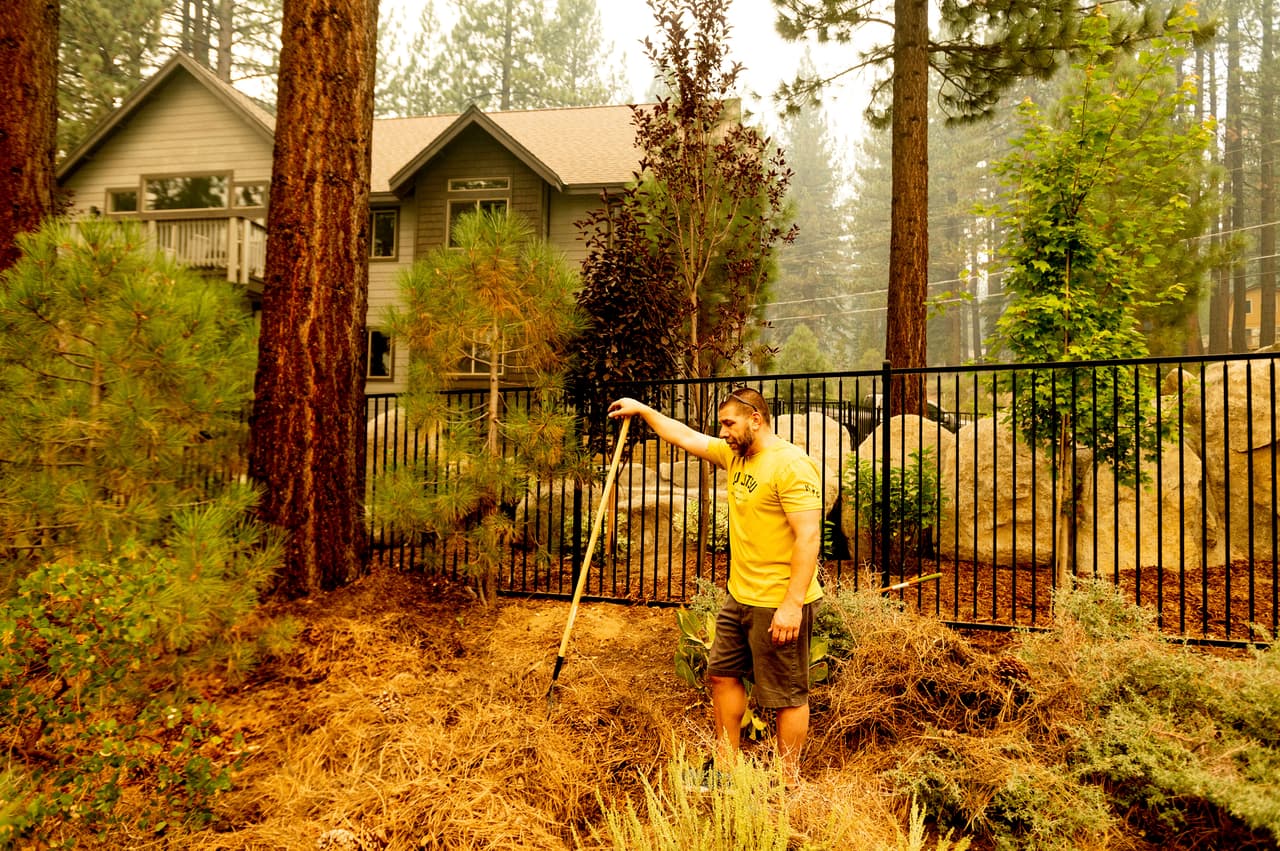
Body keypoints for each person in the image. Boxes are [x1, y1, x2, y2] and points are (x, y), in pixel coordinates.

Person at [608, 388, 823, 781]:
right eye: (721, 425)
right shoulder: (735, 455)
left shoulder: (792, 465)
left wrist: (792, 605)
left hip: (777, 600)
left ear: (755, 419)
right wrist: (641, 410)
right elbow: (685, 436)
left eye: (729, 423)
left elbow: (809, 537)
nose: (722, 432)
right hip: (740, 596)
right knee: (722, 674)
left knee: (785, 695)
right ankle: (727, 766)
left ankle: (787, 780)